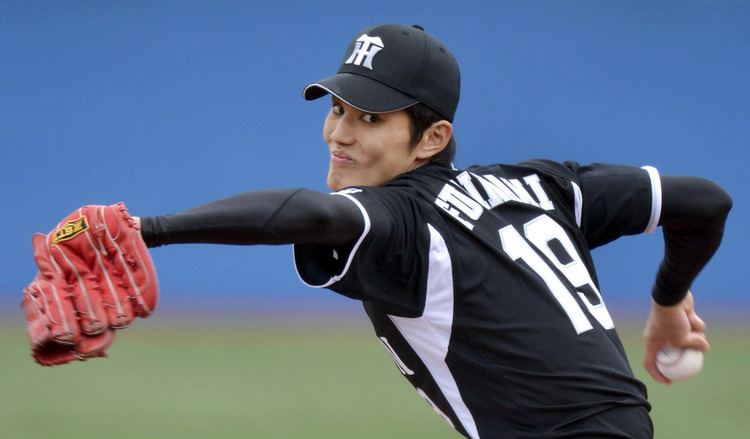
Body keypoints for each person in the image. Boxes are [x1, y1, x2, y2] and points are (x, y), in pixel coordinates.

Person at [41, 24, 734, 438]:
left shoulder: (406, 219)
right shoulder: (544, 185)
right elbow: (704, 201)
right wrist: (670, 303)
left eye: (370, 118)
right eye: (339, 108)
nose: (340, 133)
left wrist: (147, 229)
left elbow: (312, 213)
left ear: (433, 136)